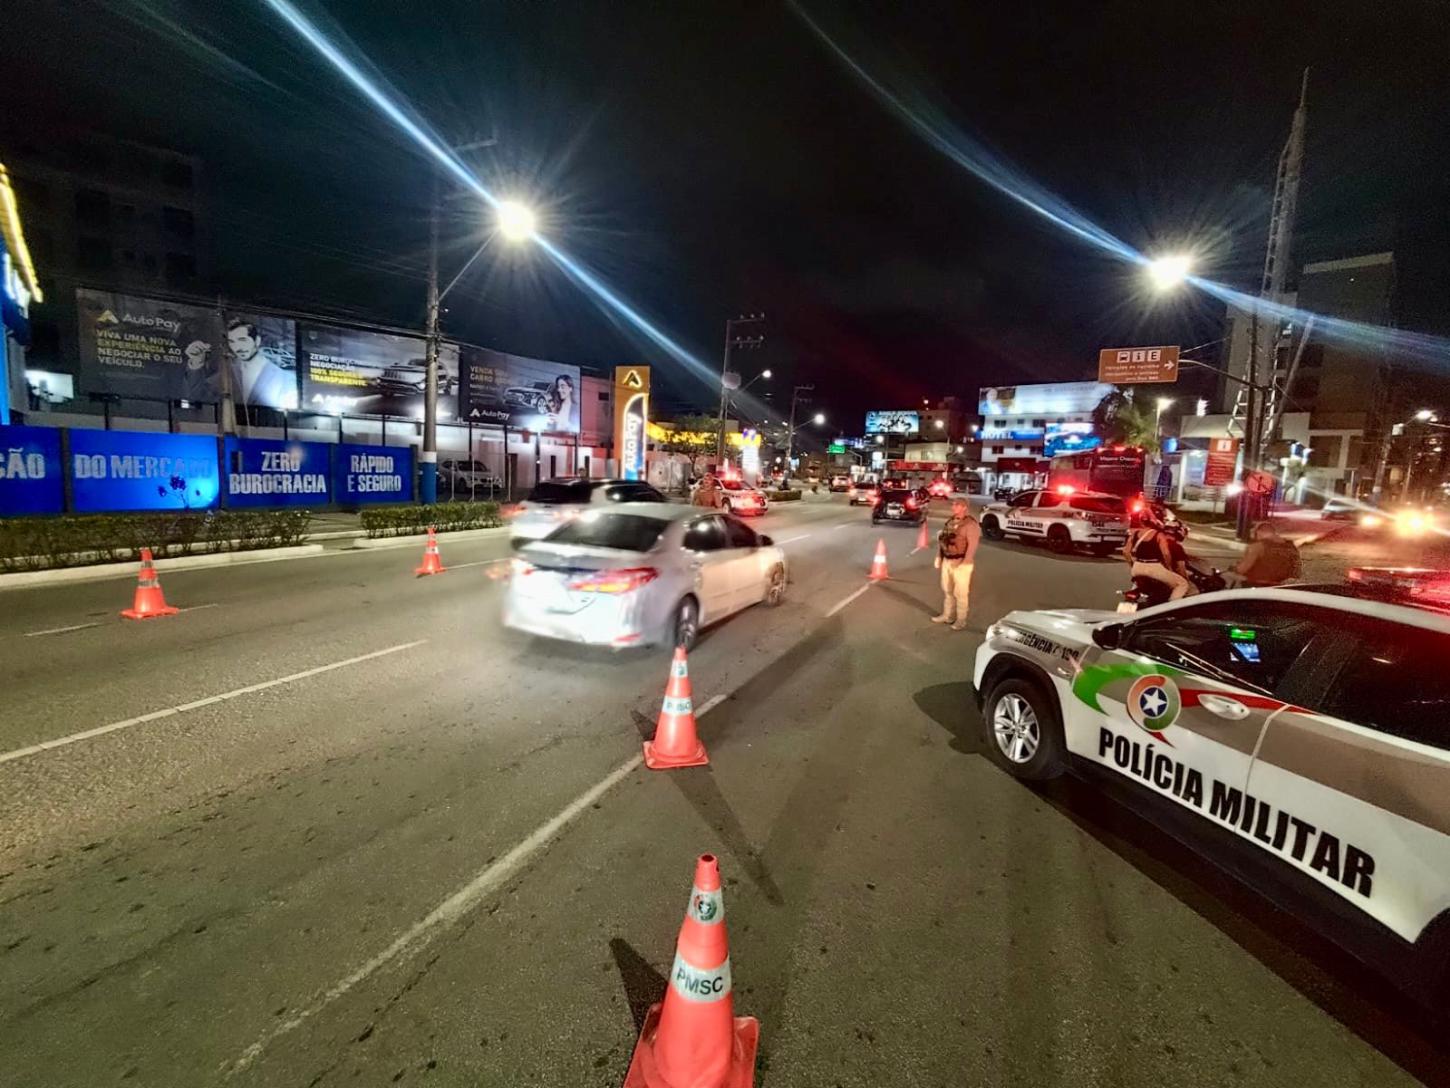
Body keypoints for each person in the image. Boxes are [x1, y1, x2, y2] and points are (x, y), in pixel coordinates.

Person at [225, 318, 297, 411]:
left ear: (257, 341)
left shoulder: (285, 379)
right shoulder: (227, 374)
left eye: (242, 340)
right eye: (232, 342)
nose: (237, 347)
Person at [933, 498, 981, 630]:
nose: (953, 507)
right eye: (953, 504)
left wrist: (966, 562)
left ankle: (961, 620)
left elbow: (973, 545)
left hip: (961, 562)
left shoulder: (970, 524)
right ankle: (947, 615)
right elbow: (943, 541)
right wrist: (938, 556)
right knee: (947, 590)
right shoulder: (950, 521)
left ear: (964, 507)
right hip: (947, 560)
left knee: (961, 593)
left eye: (957, 505)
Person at [1126, 514, 1195, 600]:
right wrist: (1169, 568)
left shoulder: (1137, 534)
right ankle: (1171, 607)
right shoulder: (1169, 542)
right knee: (1182, 584)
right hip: (1154, 569)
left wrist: (1132, 564)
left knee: (1138, 584)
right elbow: (1167, 555)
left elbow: (1125, 551)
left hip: (1137, 568)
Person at [1232, 520, 1301, 587]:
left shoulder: (1258, 546)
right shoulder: (1292, 547)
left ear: (1259, 532)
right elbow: (1296, 571)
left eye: (1256, 535)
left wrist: (1234, 568)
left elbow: (1242, 569)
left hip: (1259, 587)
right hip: (1284, 586)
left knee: (1229, 576)